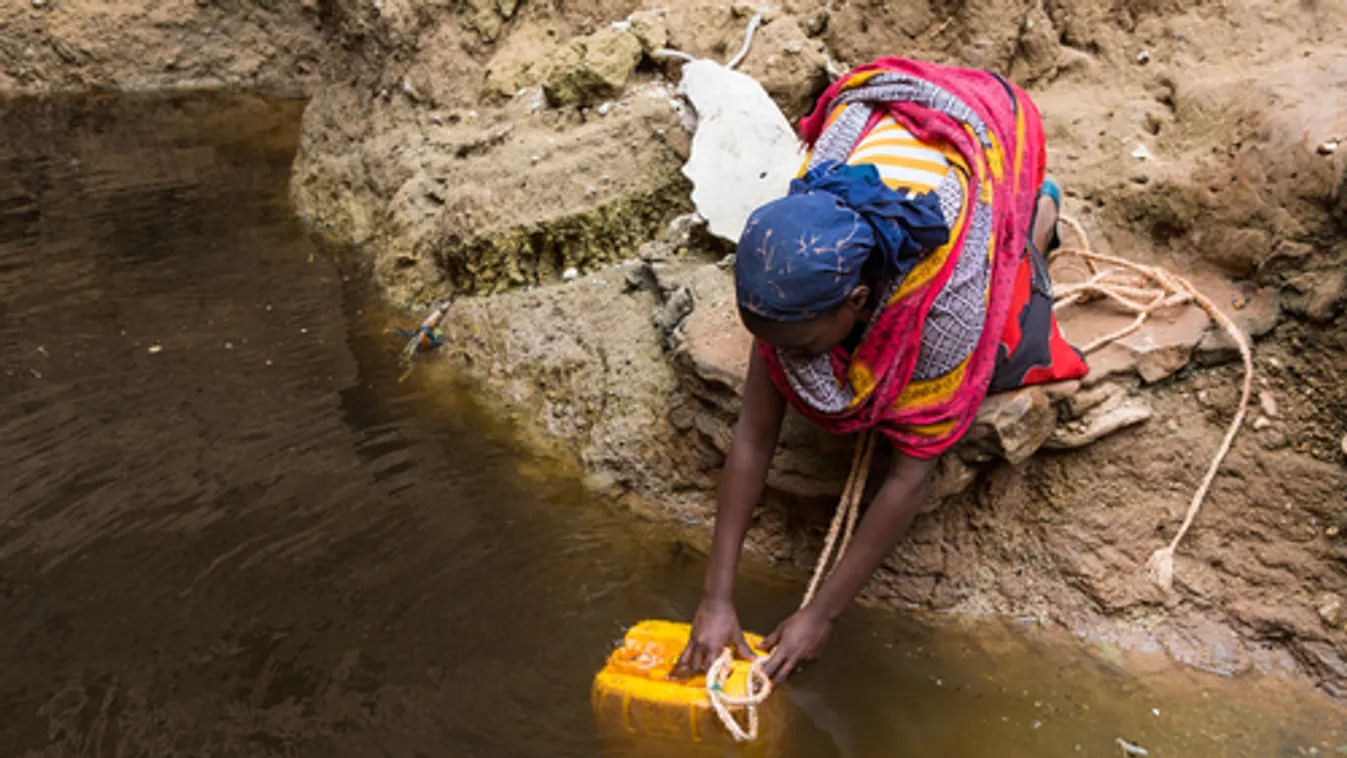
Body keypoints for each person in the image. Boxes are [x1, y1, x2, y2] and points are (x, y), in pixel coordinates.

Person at [673, 58, 1089, 683]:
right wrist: (715, 598)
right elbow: (754, 435)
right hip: (893, 119)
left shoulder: (944, 308)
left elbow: (910, 474)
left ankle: (1041, 209)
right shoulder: (798, 254)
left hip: (984, 125)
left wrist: (823, 616)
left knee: (1011, 336)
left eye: (806, 344)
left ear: (859, 302)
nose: (789, 357)